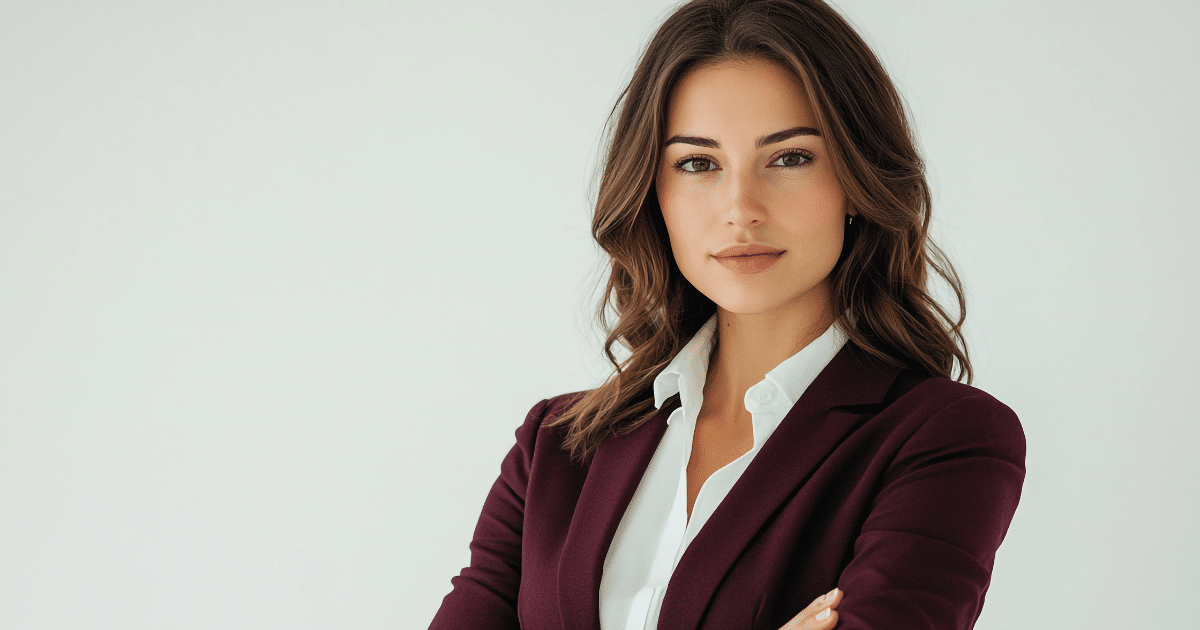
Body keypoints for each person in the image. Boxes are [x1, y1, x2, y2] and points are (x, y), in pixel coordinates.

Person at [429, 0, 1025, 628]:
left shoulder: (944, 442)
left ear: (856, 176)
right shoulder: (555, 447)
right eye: (698, 163)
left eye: (791, 157)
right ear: (652, 192)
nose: (741, 208)